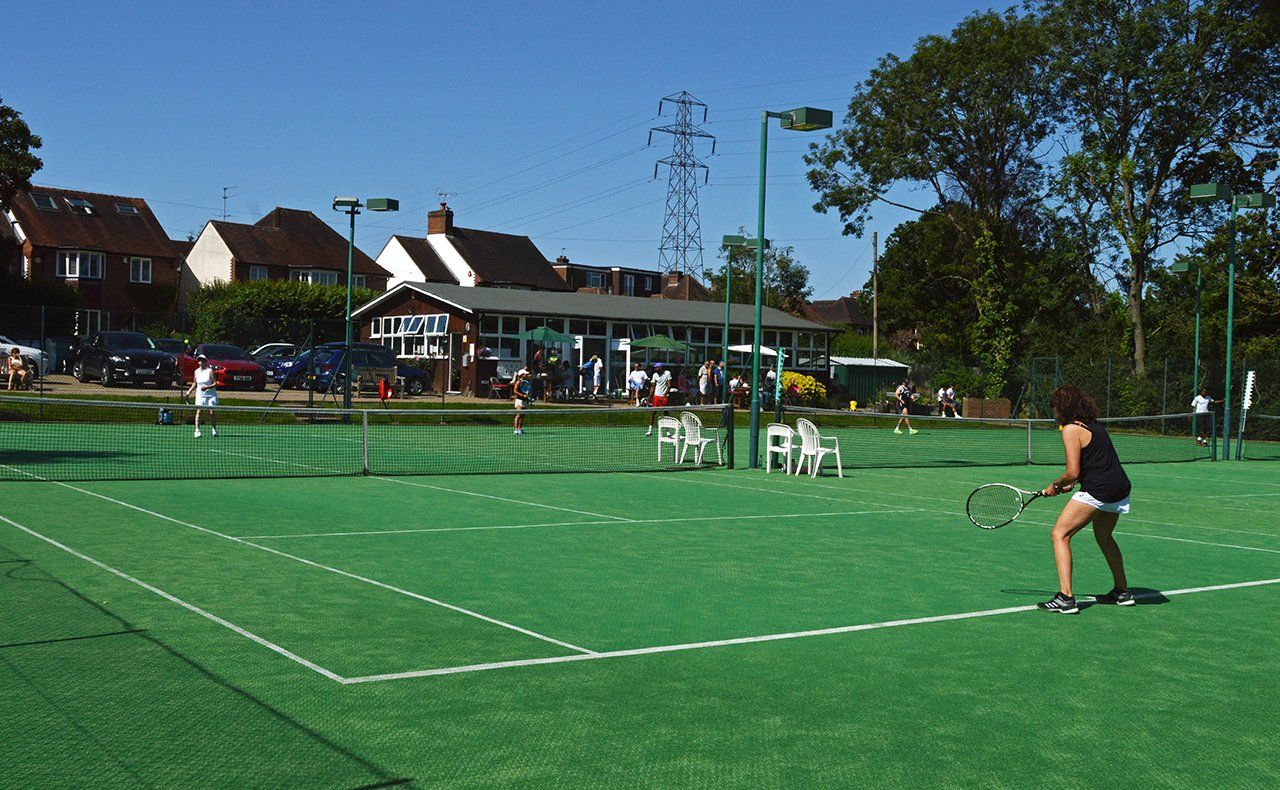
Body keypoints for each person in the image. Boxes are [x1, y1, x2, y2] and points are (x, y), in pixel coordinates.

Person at [1037, 385, 1135, 614]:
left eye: (1055, 406)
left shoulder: (1071, 429)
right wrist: (1073, 483)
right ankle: (1122, 592)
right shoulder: (1095, 426)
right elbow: (1093, 463)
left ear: (1062, 407)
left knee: (1060, 534)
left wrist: (1055, 485)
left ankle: (1066, 598)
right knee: (1104, 537)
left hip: (1100, 489)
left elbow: (1072, 471)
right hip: (1120, 488)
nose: (1054, 411)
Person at [184, 353, 218, 438]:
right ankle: (197, 431)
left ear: (205, 362)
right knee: (199, 411)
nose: (200, 362)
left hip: (211, 395)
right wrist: (189, 391)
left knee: (212, 412)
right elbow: (195, 383)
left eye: (202, 360)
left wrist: (207, 387)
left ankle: (214, 430)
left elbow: (215, 383)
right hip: (200, 395)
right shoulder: (196, 372)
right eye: (199, 360)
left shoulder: (210, 371)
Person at [645, 362, 674, 436]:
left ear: (660, 368)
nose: (655, 369)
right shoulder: (654, 375)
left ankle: (668, 430)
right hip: (656, 396)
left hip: (664, 396)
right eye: (655, 368)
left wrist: (665, 395)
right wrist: (649, 397)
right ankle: (650, 430)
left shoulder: (667, 373)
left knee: (666, 413)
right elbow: (653, 386)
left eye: (656, 367)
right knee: (653, 413)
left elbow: (669, 385)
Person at [511, 369, 532, 434]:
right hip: (519, 400)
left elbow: (527, 391)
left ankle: (519, 429)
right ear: (522, 375)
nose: (527, 375)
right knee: (518, 415)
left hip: (524, 400)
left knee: (522, 415)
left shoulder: (526, 382)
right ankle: (515, 429)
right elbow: (515, 391)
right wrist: (522, 395)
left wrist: (527, 396)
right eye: (525, 374)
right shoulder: (518, 382)